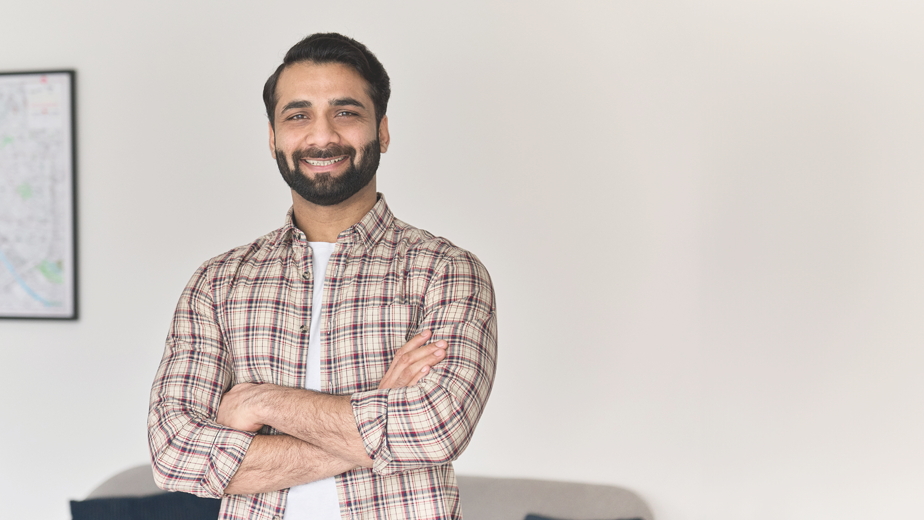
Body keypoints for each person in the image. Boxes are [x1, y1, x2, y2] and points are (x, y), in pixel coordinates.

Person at [147, 33, 497, 520]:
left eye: (346, 112)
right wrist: (379, 407)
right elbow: (175, 455)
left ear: (384, 131)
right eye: (298, 115)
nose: (322, 135)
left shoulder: (446, 271)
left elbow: (435, 429)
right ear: (273, 138)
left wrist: (259, 401)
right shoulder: (218, 283)